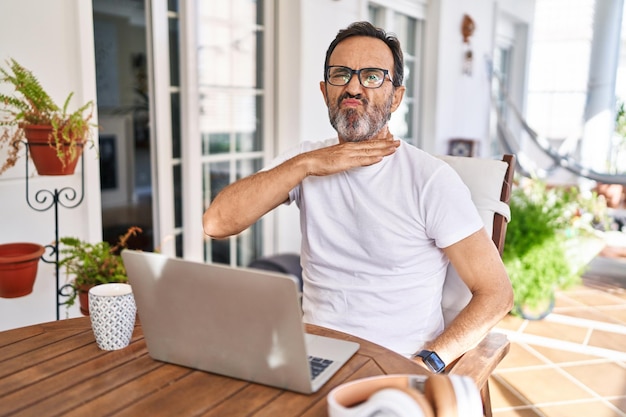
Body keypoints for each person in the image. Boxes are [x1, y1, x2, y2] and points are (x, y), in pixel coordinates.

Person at [203, 21, 513, 371]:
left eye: (372, 76)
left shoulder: (430, 181)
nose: (353, 86)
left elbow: (496, 294)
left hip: (395, 363)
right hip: (311, 356)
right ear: (325, 92)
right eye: (341, 74)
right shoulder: (306, 162)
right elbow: (216, 222)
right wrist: (306, 164)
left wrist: (429, 363)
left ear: (396, 96)